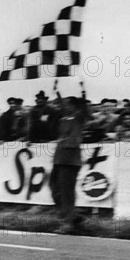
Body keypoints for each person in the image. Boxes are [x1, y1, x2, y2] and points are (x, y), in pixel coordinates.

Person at [49, 80, 90, 234]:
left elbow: (84, 107)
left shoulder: (79, 117)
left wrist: (83, 90)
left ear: (73, 106)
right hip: (59, 158)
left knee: (66, 192)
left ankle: (67, 223)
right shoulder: (63, 118)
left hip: (71, 160)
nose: (63, 105)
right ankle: (74, 217)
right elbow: (58, 103)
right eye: (63, 103)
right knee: (54, 189)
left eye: (67, 103)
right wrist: (56, 89)